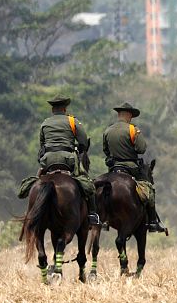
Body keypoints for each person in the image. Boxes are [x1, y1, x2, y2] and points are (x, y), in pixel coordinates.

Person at [103, 102, 166, 233]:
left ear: (119, 115)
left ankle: (101, 218)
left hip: (114, 168)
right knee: (148, 189)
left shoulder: (108, 130)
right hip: (130, 167)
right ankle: (153, 222)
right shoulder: (133, 130)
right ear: (128, 115)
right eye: (131, 116)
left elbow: (106, 150)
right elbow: (141, 149)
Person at [37, 94, 99, 226]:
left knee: (37, 181)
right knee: (88, 184)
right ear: (65, 109)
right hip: (67, 160)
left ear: (52, 109)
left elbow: (42, 145)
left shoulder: (45, 123)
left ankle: (31, 211)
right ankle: (92, 214)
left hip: (48, 161)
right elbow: (83, 142)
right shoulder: (72, 121)